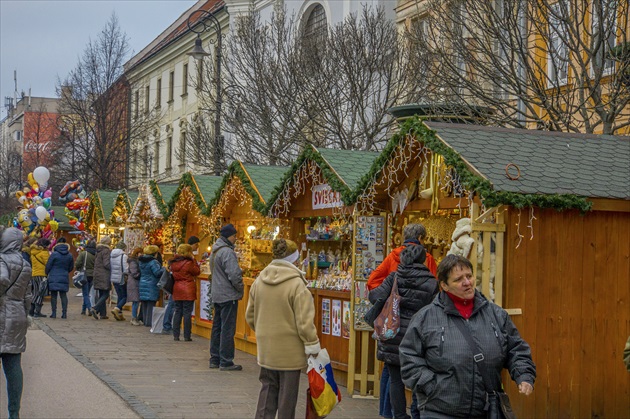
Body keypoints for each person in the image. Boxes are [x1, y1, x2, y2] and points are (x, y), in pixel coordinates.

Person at [399, 254, 536, 418]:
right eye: (458, 279)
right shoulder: (425, 318)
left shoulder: (496, 315)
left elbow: (516, 349)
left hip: (486, 409)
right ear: (444, 285)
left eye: (469, 276)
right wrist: (432, 386)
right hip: (440, 411)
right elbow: (409, 358)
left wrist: (524, 375)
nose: (467, 282)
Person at [246, 238, 320, 419]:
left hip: (267, 348)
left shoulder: (259, 281)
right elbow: (304, 323)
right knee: (287, 396)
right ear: (294, 259)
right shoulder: (297, 284)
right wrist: (312, 344)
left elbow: (250, 316)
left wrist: (265, 331)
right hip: (290, 352)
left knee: (267, 389)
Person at [368, 223, 435, 418]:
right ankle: (415, 413)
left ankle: (392, 414)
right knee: (417, 374)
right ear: (421, 241)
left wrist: (391, 300)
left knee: (393, 376)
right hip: (418, 333)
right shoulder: (430, 274)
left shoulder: (392, 264)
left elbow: (373, 286)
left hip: (394, 331)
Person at [0, 227, 33, 419]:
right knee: (13, 366)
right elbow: (28, 295)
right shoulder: (24, 263)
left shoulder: (1, 259)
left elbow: (2, 278)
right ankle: (14, 413)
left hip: (2, 311)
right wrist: (25, 314)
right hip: (17, 315)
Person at [209, 224, 244, 371]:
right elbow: (234, 275)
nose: (236, 238)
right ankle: (226, 360)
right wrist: (240, 288)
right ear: (229, 236)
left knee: (217, 327)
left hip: (217, 293)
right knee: (227, 328)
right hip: (228, 295)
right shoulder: (227, 252)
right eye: (234, 236)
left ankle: (214, 358)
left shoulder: (215, 251)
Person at [170, 243, 200, 341]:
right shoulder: (190, 262)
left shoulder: (173, 262)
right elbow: (196, 272)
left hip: (177, 287)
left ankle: (176, 335)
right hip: (188, 288)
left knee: (178, 311)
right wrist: (194, 261)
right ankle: (187, 335)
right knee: (187, 312)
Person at [45, 237, 74, 319]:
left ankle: (54, 313)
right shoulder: (69, 255)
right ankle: (64, 313)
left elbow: (48, 266)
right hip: (64, 275)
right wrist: (66, 271)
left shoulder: (54, 254)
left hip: (54, 275)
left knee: (54, 295)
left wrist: (47, 273)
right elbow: (71, 267)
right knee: (63, 295)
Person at [138, 245, 164, 328]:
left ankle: (146, 321)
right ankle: (149, 322)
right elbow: (157, 273)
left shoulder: (141, 261)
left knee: (145, 303)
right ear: (154, 253)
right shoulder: (153, 262)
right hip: (151, 284)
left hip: (143, 283)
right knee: (150, 304)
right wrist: (163, 269)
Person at [91, 236, 112, 320]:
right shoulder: (106, 251)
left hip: (97, 274)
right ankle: (95, 308)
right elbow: (106, 264)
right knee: (106, 293)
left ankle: (103, 314)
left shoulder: (98, 250)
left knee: (101, 293)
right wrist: (113, 268)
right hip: (104, 274)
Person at [29, 237, 50, 318]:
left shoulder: (33, 252)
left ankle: (31, 310)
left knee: (35, 292)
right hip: (42, 275)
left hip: (34, 274)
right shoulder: (44, 253)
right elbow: (47, 264)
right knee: (41, 293)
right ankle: (37, 311)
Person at [75, 239, 96, 315]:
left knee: (85, 293)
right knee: (87, 292)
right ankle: (83, 310)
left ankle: (89, 308)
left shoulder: (84, 253)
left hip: (85, 274)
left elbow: (78, 263)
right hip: (92, 275)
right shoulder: (96, 254)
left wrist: (78, 269)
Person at [110, 241, 129, 321]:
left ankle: (119, 314)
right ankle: (117, 308)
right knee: (125, 296)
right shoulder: (123, 256)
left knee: (120, 296)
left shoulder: (112, 255)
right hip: (121, 277)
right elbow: (125, 268)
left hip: (114, 277)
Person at [126, 247, 143, 325]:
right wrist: (140, 275)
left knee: (136, 301)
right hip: (134, 283)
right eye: (141, 253)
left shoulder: (135, 261)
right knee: (135, 301)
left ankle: (135, 317)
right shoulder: (133, 262)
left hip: (134, 282)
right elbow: (134, 273)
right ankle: (133, 318)